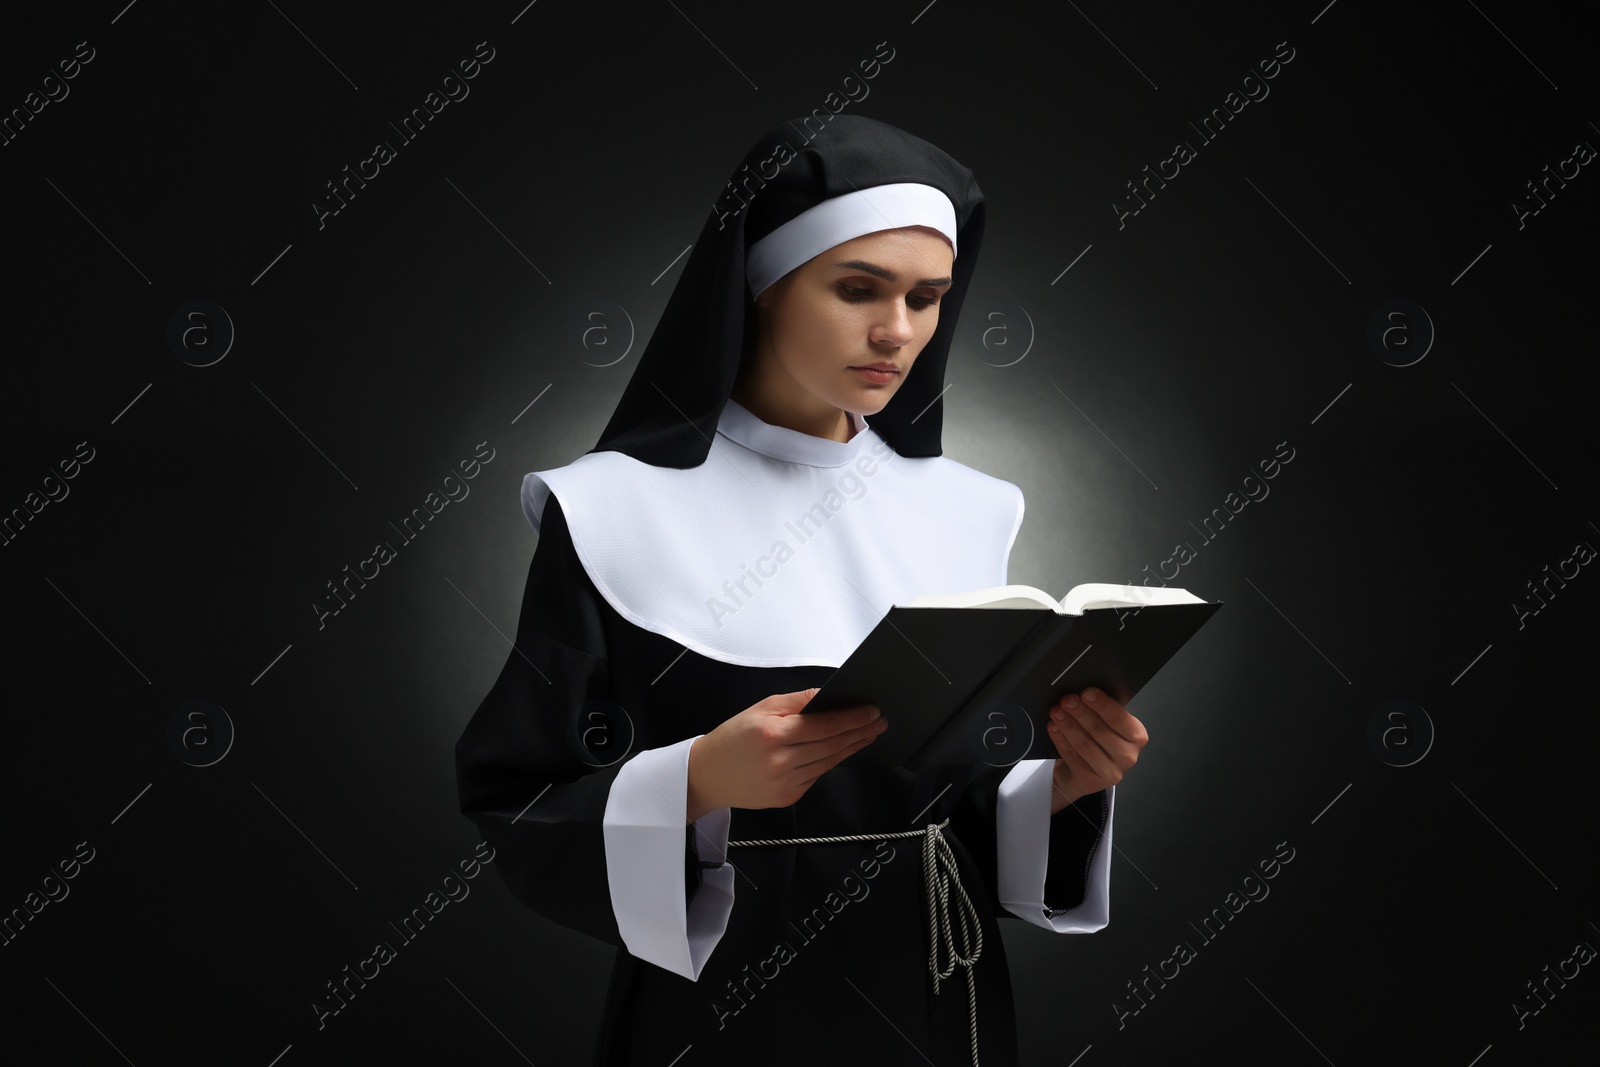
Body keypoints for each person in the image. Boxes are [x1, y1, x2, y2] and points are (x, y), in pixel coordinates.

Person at [454, 113, 1149, 1066]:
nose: (895, 331)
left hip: (937, 993)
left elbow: (948, 811)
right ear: (763, 281)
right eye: (858, 288)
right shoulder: (611, 509)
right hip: (726, 1006)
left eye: (927, 297)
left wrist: (1063, 783)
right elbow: (519, 798)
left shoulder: (968, 513)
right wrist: (698, 777)